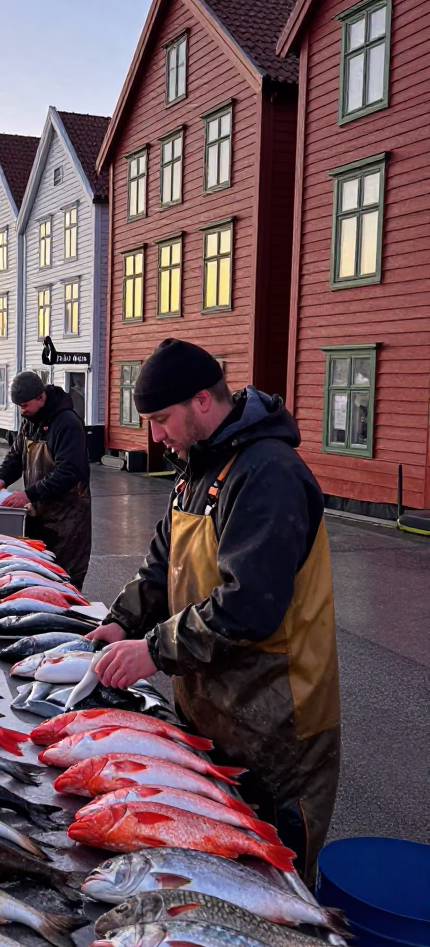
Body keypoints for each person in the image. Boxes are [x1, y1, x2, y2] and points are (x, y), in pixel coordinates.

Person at [89, 339, 340, 886]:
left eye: (161, 420)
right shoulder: (198, 468)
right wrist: (123, 621)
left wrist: (153, 650)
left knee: (272, 878)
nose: (155, 437)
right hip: (213, 710)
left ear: (202, 400)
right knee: (214, 873)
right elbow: (163, 562)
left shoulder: (267, 473)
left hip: (277, 725)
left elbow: (250, 605)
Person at [0, 371, 91, 589]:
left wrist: (28, 494)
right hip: (39, 515)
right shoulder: (30, 421)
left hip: (68, 520)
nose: (22, 410)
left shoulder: (68, 423)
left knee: (64, 582)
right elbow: (16, 455)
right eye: (19, 406)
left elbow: (69, 472)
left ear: (41, 397)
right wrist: (1, 479)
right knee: (38, 579)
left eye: (25, 404)